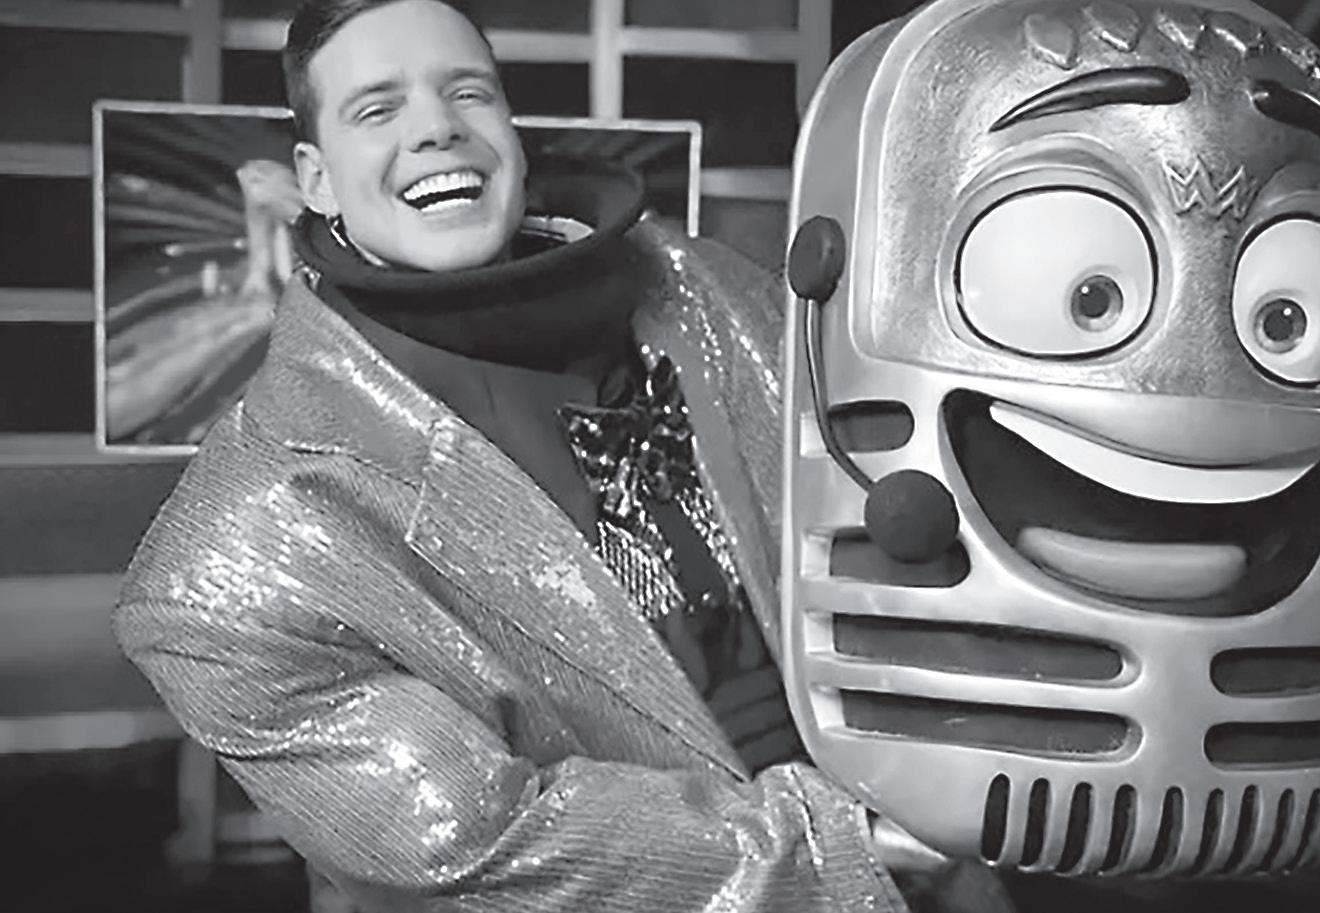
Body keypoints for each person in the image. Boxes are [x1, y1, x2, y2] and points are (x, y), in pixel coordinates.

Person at [115, 1, 1003, 911]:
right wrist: (851, 848)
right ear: (316, 179)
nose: (436, 127)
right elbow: (480, 843)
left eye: (468, 92)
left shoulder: (714, 289)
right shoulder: (221, 573)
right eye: (377, 109)